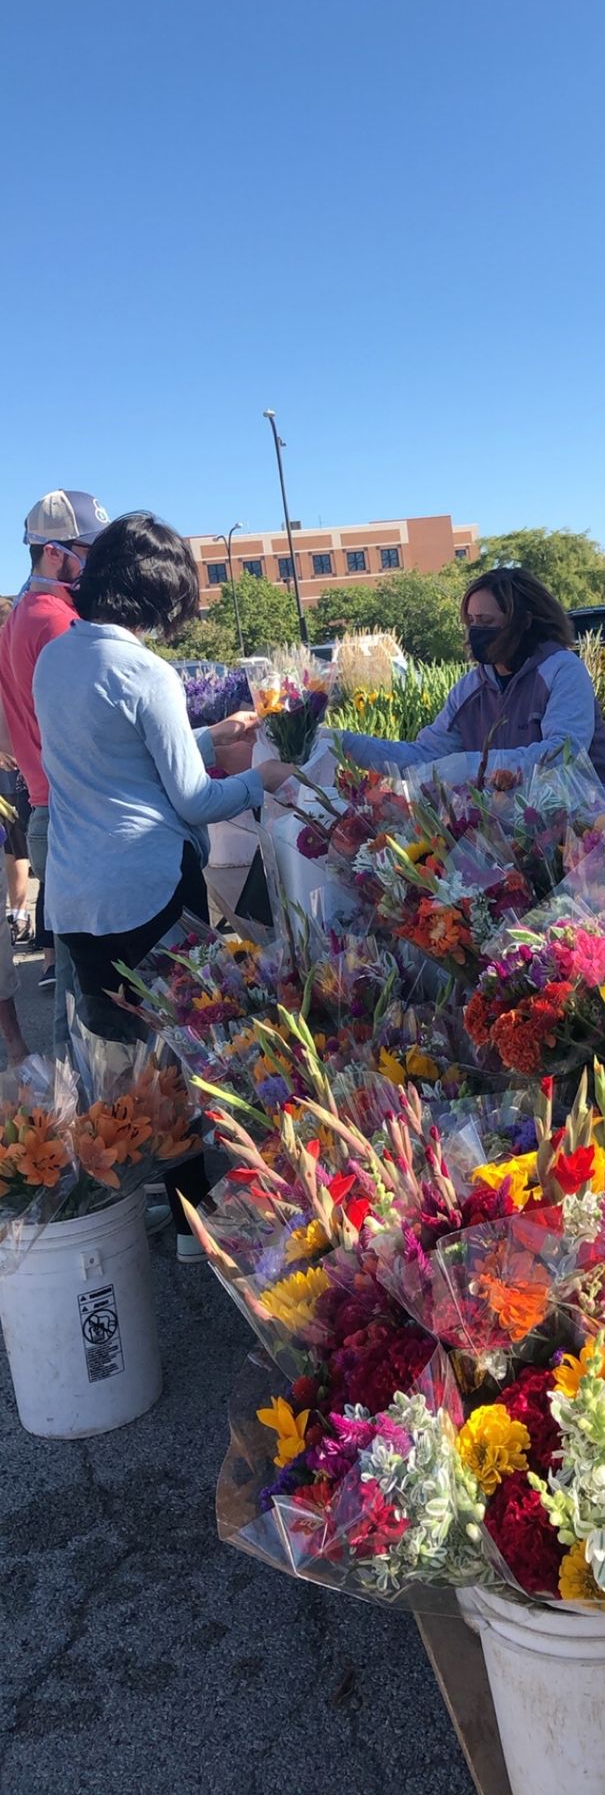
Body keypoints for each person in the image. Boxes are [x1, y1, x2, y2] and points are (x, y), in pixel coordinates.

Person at [33, 511, 293, 1258]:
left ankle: (126, 1215)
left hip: (79, 896)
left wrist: (207, 736)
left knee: (119, 1065)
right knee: (186, 1055)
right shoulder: (147, 671)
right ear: (159, 596)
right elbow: (191, 801)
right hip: (147, 888)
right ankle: (195, 1229)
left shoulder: (56, 660)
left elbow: (113, 759)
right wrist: (259, 778)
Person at [337, 566, 605, 790]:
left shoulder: (562, 670)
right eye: (470, 621)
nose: (475, 631)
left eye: (487, 621)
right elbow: (425, 755)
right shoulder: (470, 689)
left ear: (524, 622)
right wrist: (343, 743)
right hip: (538, 825)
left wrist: (472, 766)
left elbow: (563, 754)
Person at [0, 491, 110, 1039]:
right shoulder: (54, 622)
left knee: (72, 971)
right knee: (85, 982)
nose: (96, 564)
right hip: (70, 807)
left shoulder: (20, 615)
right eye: (88, 550)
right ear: (52, 552)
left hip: (44, 802)